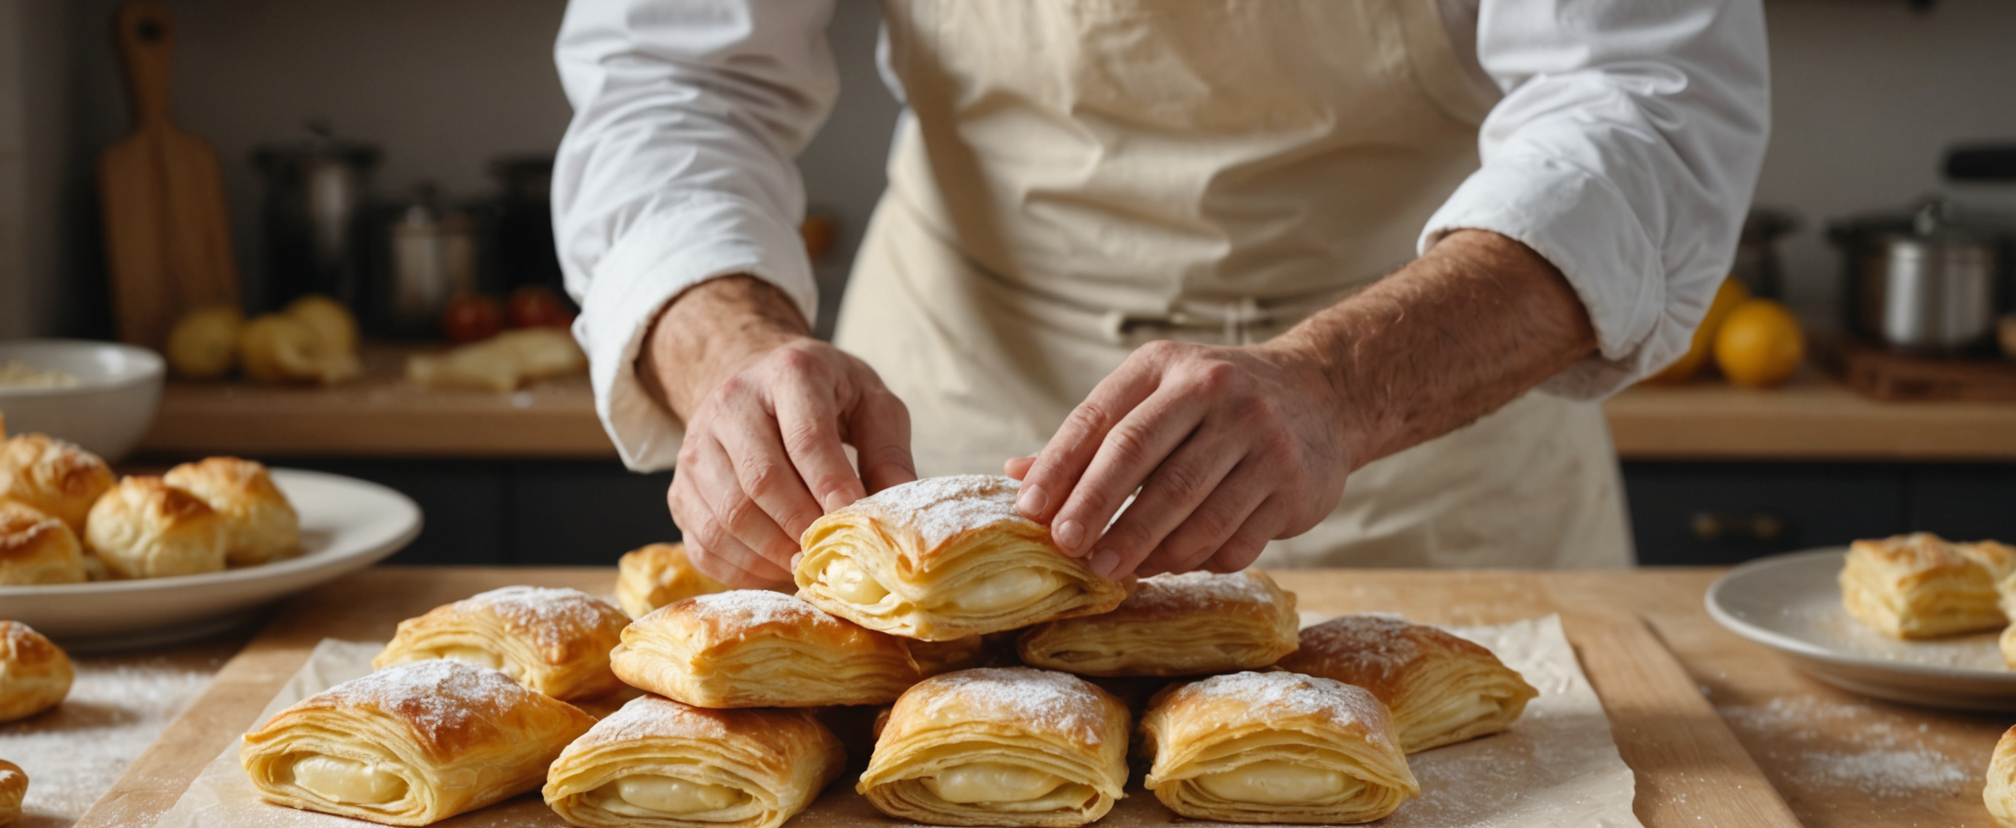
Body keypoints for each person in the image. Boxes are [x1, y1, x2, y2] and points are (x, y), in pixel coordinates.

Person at [553, 1, 1768, 588]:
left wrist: (1337, 387)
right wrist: (726, 350)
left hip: (1427, 432)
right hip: (944, 425)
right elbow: (671, 80)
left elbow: (1649, 108)